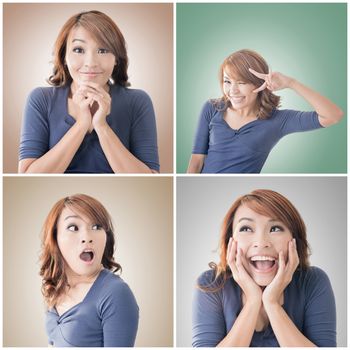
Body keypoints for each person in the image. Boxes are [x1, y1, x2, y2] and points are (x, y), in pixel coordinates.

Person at [19, 10, 159, 173]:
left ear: (116, 59)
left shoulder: (137, 101)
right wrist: (81, 124)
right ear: (64, 55)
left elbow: (151, 177)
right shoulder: (41, 99)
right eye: (79, 50)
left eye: (103, 50)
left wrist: (101, 126)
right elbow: (27, 175)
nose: (91, 62)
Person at [192, 189, 336, 347]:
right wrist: (253, 300)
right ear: (230, 241)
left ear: (294, 239)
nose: (261, 242)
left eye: (275, 228)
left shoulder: (313, 281)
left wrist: (271, 302)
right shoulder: (211, 284)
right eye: (246, 229)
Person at [187, 49, 343, 173]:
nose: (232, 90)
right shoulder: (212, 108)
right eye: (227, 81)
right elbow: (196, 161)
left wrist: (291, 83)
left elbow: (333, 116)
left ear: (259, 84)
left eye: (241, 82)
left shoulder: (278, 120)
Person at [40, 194, 139, 347]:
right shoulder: (55, 286)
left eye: (96, 227)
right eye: (73, 227)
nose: (87, 237)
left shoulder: (116, 293)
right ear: (55, 237)